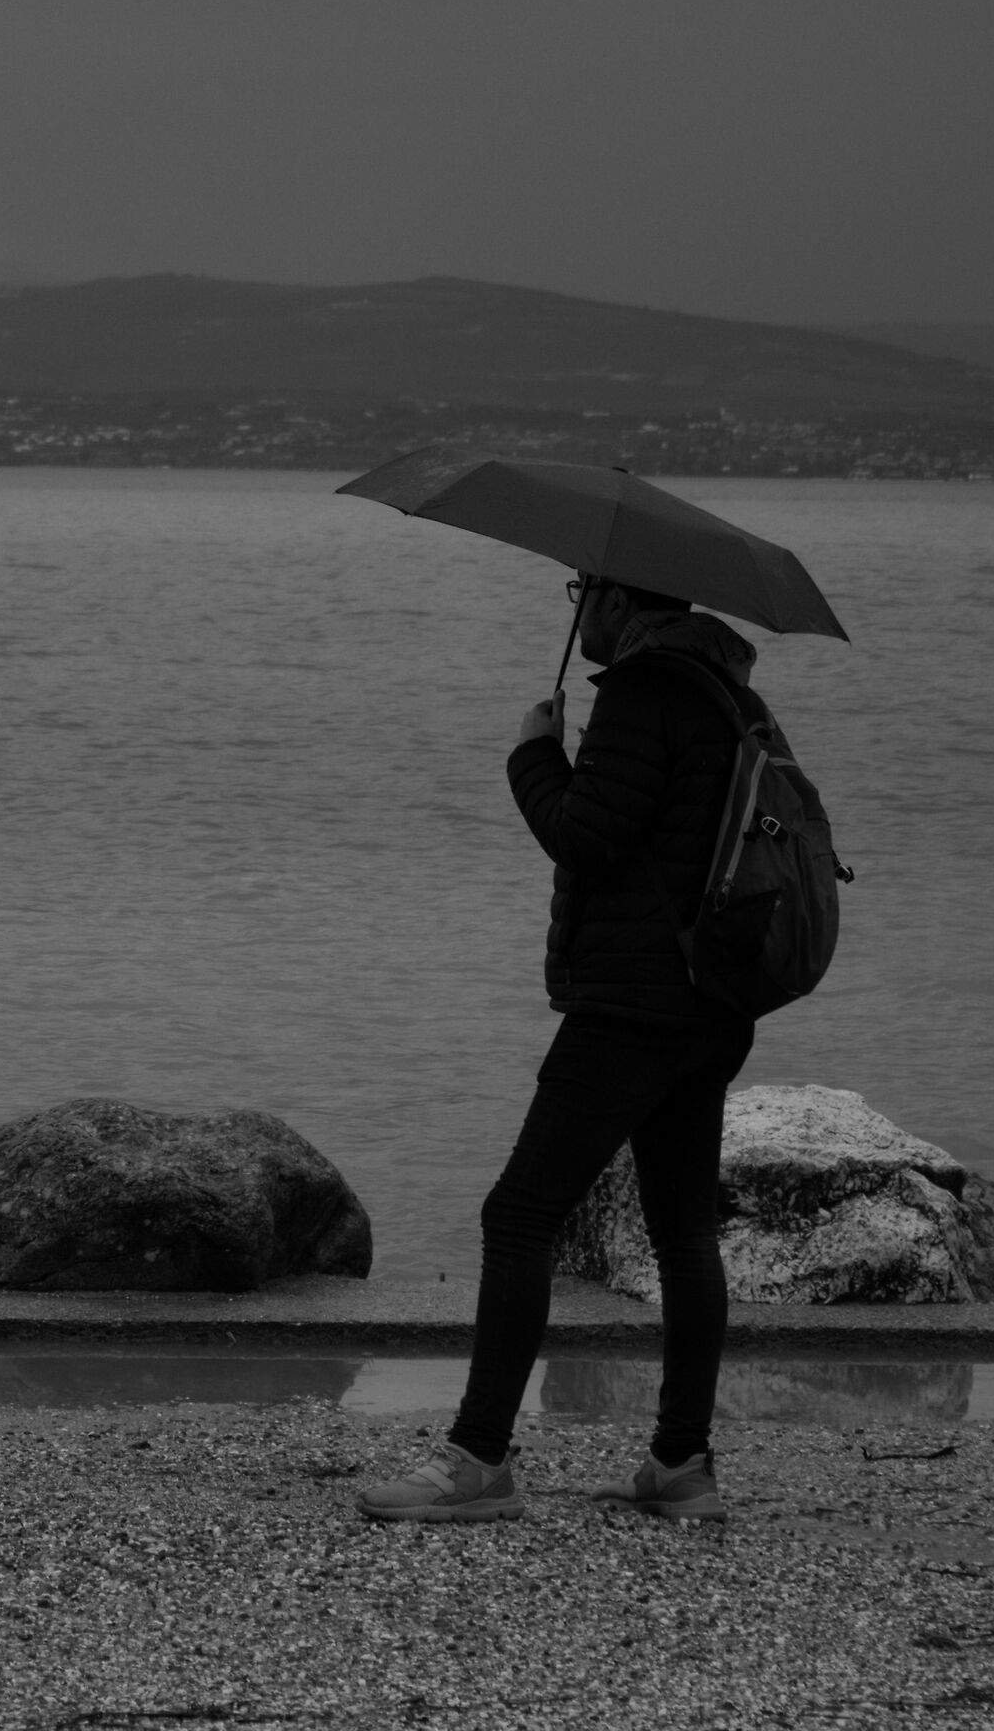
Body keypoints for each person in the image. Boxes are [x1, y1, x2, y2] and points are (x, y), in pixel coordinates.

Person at [359, 572, 759, 1527]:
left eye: (583, 589)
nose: (576, 605)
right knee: (682, 1231)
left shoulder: (642, 689)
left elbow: (585, 838)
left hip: (631, 1004)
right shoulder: (725, 691)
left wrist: (534, 755)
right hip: (712, 1001)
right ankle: (681, 1465)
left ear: (623, 601)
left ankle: (479, 1459)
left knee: (518, 1214)